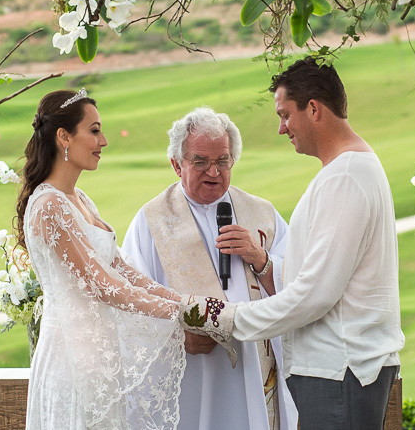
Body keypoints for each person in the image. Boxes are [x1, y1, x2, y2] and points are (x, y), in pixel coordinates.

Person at [224, 58, 406, 429]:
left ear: (314, 109)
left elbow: (317, 293)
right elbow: (320, 275)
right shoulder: (345, 171)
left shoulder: (347, 177)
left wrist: (231, 319)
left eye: (285, 115)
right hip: (337, 372)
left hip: (340, 372)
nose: (281, 128)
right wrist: (264, 263)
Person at [16, 88, 199, 430]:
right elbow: (101, 284)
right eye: (95, 130)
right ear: (63, 136)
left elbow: (122, 271)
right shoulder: (50, 205)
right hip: (70, 358)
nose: (104, 140)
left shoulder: (80, 198)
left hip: (100, 361)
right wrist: (179, 312)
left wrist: (184, 300)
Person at [122, 107, 298, 430]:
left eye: (223, 161)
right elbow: (131, 304)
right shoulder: (151, 223)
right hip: (192, 370)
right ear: (177, 164)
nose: (214, 172)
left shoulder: (262, 214)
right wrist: (177, 339)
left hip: (253, 367)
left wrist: (260, 259)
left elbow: (300, 286)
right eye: (200, 161)